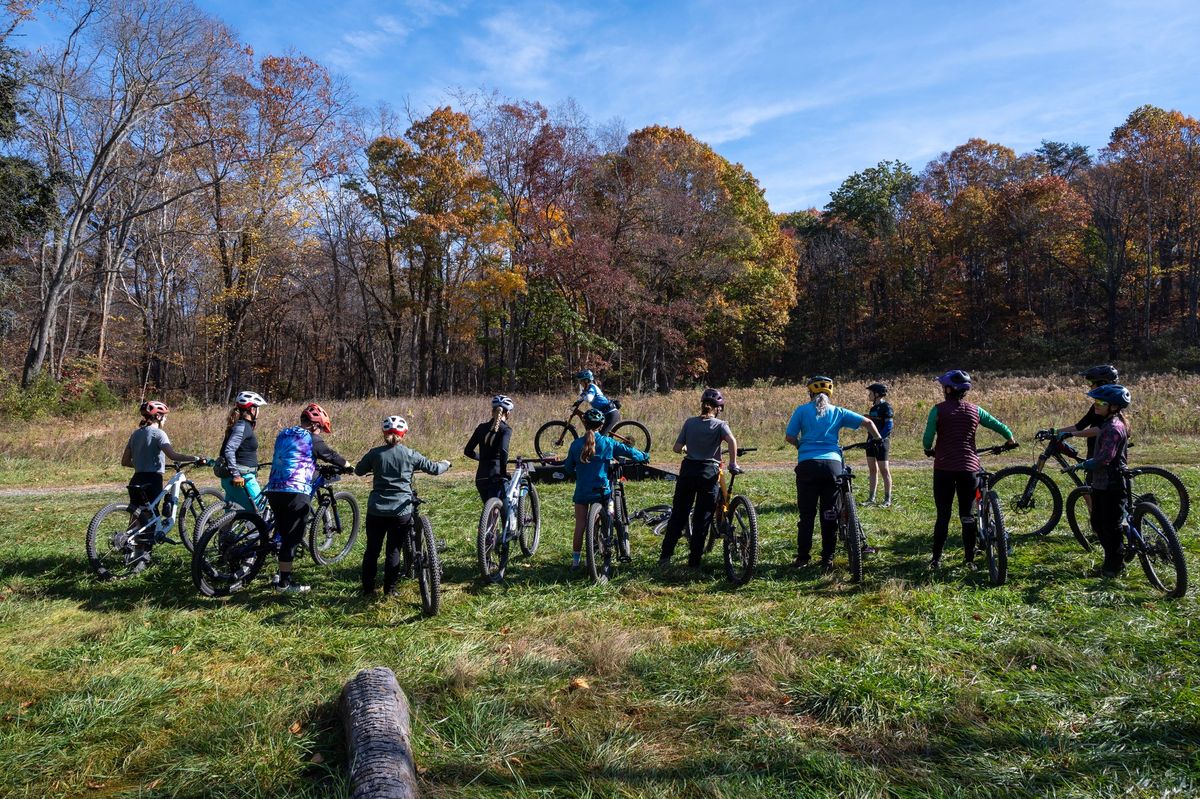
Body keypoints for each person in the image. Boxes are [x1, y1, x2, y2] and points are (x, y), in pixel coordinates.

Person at [921, 370, 1018, 569]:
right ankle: (968, 560)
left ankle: (936, 559)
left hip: (944, 468)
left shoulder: (938, 410)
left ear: (948, 389)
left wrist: (928, 448)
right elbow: (997, 425)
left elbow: (928, 437)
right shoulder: (975, 410)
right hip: (969, 469)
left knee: (943, 515)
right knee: (967, 515)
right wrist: (1010, 439)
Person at [784, 377, 881, 572]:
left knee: (806, 515)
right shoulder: (838, 411)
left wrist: (800, 446)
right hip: (832, 466)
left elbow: (789, 436)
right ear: (830, 394)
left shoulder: (802, 411)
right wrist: (877, 439)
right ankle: (827, 558)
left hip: (807, 465)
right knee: (830, 514)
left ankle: (803, 558)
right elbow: (868, 422)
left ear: (810, 393)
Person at [355, 416, 451, 596]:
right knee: (393, 550)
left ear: (384, 434)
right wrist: (446, 463)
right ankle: (390, 589)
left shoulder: (375, 454)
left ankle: (367, 589)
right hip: (401, 510)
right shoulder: (410, 454)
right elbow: (435, 469)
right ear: (404, 434)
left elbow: (359, 470)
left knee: (372, 550)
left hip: (376, 509)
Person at [264, 402, 349, 593]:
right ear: (315, 425)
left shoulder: (283, 434)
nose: (319, 433)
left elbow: (293, 457)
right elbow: (330, 455)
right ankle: (285, 584)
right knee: (292, 538)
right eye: (320, 429)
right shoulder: (312, 438)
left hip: (273, 489)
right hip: (295, 491)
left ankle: (279, 573)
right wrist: (348, 465)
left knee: (282, 532)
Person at [659, 388, 739, 570]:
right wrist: (733, 463)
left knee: (678, 514)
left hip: (688, 470)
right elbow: (732, 441)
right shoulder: (720, 424)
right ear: (718, 408)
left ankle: (665, 556)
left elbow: (677, 448)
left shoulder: (689, 423)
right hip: (708, 472)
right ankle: (694, 561)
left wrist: (688, 447)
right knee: (702, 517)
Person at [562, 408, 649, 569]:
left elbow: (568, 468)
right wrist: (645, 456)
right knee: (608, 515)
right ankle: (602, 542)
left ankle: (575, 562)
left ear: (585, 424)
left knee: (580, 524)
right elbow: (630, 452)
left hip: (581, 491)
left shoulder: (575, 445)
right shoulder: (608, 443)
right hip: (602, 491)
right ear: (602, 425)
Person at [1072, 384, 1131, 579]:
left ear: (1113, 407)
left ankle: (1113, 567)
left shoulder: (1113, 427)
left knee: (1110, 527)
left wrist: (1085, 464)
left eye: (1100, 402)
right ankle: (1113, 559)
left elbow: (1105, 457)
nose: (1096, 405)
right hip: (1101, 482)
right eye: (1095, 401)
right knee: (1098, 523)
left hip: (1112, 483)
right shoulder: (1107, 423)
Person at [121, 401, 205, 525]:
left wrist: (141, 464)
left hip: (136, 479)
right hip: (152, 480)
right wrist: (195, 458)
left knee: (136, 516)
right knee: (149, 518)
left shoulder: (135, 434)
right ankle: (143, 542)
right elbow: (173, 455)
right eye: (165, 417)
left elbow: (125, 461)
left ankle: (128, 542)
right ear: (158, 417)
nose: (165, 420)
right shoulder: (159, 434)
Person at [217, 391, 268, 512]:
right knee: (260, 510)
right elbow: (229, 450)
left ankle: (225, 532)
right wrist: (236, 475)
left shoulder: (239, 426)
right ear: (252, 410)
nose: (259, 411)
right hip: (242, 479)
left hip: (231, 478)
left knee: (231, 515)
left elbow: (223, 451)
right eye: (257, 408)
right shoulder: (243, 426)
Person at [464, 395, 513, 502]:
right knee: (503, 513)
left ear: (492, 411)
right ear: (508, 413)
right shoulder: (506, 429)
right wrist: (503, 472)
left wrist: (482, 458)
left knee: (489, 513)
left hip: (481, 476)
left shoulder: (481, 427)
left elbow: (468, 451)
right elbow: (504, 451)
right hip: (496, 476)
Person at [863, 382, 894, 507]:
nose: (868, 395)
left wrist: (879, 438)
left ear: (877, 394)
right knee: (872, 470)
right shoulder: (873, 409)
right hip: (870, 441)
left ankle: (887, 500)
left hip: (882, 442)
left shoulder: (886, 407)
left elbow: (889, 425)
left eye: (870, 393)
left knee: (884, 470)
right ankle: (871, 498)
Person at [572, 369, 620, 435]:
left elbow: (589, 398)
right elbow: (582, 398)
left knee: (600, 437)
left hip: (611, 414)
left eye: (581, 381)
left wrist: (583, 396)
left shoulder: (592, 387)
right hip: (605, 414)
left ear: (586, 381)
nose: (580, 383)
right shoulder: (586, 390)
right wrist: (577, 402)